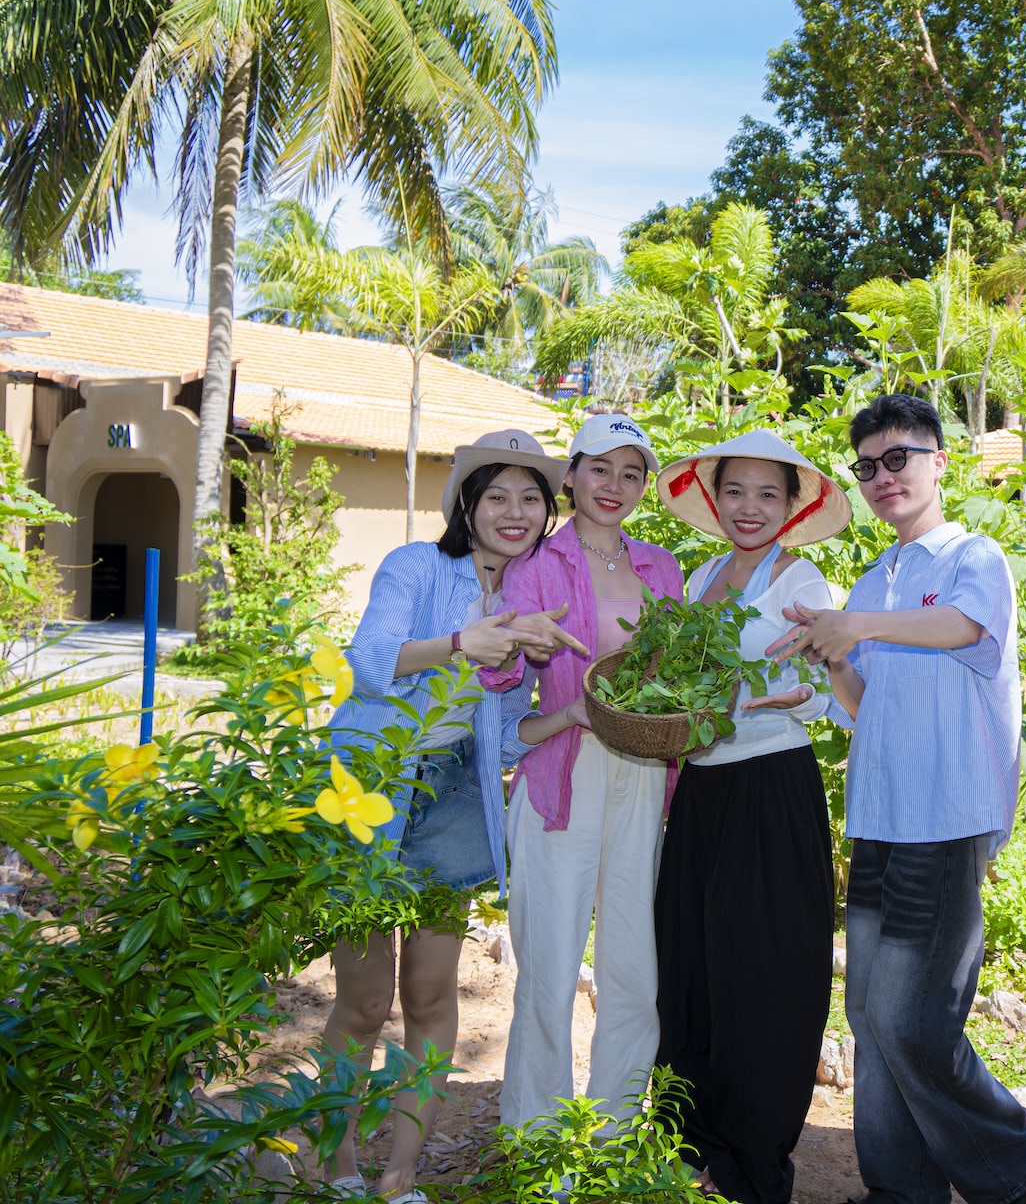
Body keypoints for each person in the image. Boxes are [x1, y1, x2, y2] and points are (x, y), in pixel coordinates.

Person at [769, 393, 1026, 1204]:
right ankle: (900, 1189)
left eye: (899, 458)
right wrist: (832, 656)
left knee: (911, 1019)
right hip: (881, 816)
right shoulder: (874, 579)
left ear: (939, 461)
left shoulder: (972, 557)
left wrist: (855, 625)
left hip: (947, 816)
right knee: (869, 1015)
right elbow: (865, 704)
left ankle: (1012, 1158)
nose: (883, 476)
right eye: (868, 466)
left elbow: (965, 629)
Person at [322, 428, 572, 1202]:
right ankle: (337, 1165)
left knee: (431, 996)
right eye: (497, 495)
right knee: (363, 1001)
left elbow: (502, 739)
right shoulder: (416, 566)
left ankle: (400, 1174)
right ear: (466, 505)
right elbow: (368, 662)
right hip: (372, 787)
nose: (515, 511)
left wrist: (571, 716)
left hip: (457, 796)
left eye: (531, 498)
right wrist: (465, 641)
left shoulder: (531, 602)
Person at [652, 429, 853, 1203]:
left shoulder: (802, 581)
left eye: (769, 493)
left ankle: (753, 1164)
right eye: (734, 490)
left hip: (771, 789)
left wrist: (782, 693)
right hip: (701, 792)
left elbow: (826, 690)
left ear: (793, 506)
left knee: (765, 976)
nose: (749, 507)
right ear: (713, 497)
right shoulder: (702, 574)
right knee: (692, 963)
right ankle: (690, 1144)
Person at [477, 413, 686, 1128]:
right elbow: (499, 677)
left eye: (631, 473)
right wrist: (517, 645)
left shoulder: (662, 567)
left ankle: (615, 1135)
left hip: (642, 773)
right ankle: (539, 1141)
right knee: (548, 967)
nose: (614, 485)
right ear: (571, 476)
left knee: (634, 966)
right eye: (600, 468)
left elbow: (677, 674)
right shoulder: (537, 565)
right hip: (561, 773)